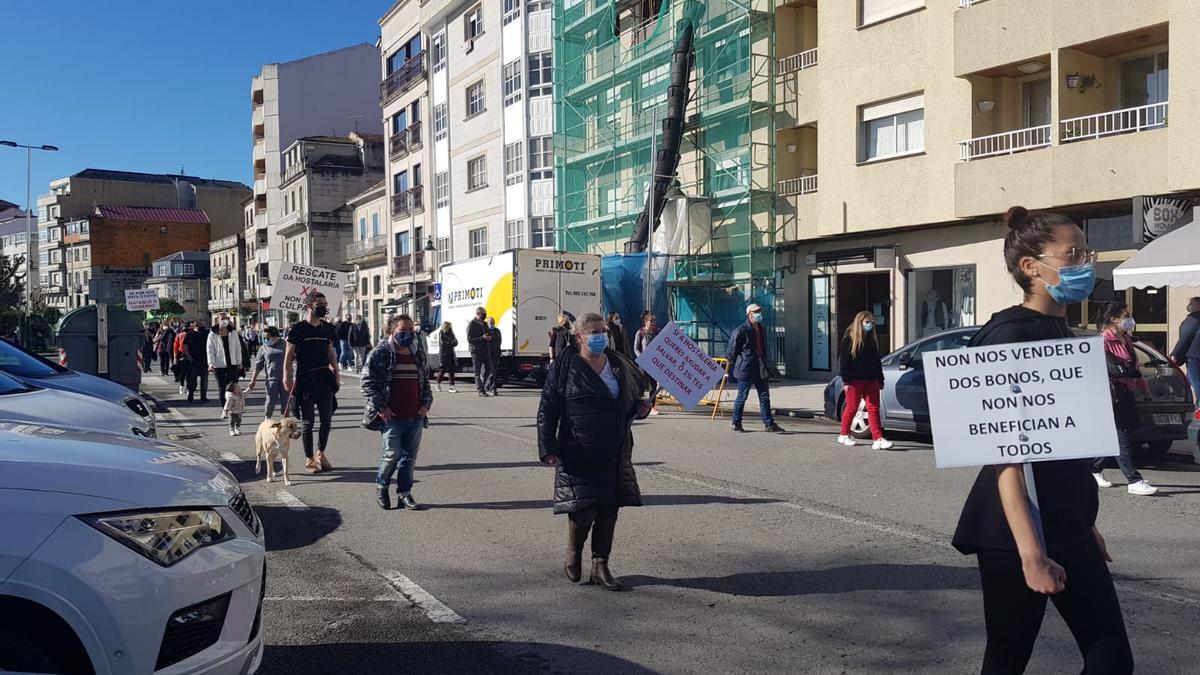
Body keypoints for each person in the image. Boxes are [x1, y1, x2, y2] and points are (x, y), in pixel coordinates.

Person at [952, 206, 1133, 674]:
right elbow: (1004, 456)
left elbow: (1059, 445)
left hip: (1067, 523)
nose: (1085, 264)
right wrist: (1032, 555)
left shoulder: (1059, 330)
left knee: (1112, 658)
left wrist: (1084, 524)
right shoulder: (1009, 335)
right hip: (1014, 536)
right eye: (1072, 254)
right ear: (1031, 266)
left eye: (1085, 252)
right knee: (1008, 660)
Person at [537, 312, 651, 591]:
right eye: (595, 332)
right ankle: (574, 551)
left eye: (603, 330)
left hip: (615, 446)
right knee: (583, 508)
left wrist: (641, 408)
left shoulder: (618, 363)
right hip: (579, 447)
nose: (602, 335)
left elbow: (631, 398)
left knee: (609, 509)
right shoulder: (565, 365)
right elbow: (548, 407)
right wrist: (547, 446)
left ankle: (600, 564)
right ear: (579, 338)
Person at [362, 314, 433, 511]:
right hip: (391, 415)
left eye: (411, 331)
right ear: (392, 331)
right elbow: (367, 383)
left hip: (415, 414)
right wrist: (381, 408)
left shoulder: (418, 353)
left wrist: (426, 404)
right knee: (392, 454)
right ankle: (382, 486)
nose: (408, 335)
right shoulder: (381, 353)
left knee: (409, 457)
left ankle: (405, 493)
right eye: (404, 331)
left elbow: (425, 381)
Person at [1091, 302, 1157, 496]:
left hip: (1125, 392)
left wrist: (1145, 390)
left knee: (1118, 434)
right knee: (1121, 434)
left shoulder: (1126, 340)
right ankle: (1133, 479)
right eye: (1126, 315)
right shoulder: (1103, 340)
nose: (1130, 320)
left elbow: (1135, 368)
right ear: (1114, 319)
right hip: (1110, 393)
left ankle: (1094, 469)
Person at [283, 292, 340, 474]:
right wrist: (287, 376)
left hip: (324, 378)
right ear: (309, 305)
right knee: (308, 422)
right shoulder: (298, 329)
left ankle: (320, 453)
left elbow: (331, 353)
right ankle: (309, 459)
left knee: (327, 420)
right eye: (319, 303)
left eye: (324, 303)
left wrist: (336, 372)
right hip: (305, 378)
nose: (323, 306)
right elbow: (289, 354)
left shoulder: (328, 328)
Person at [725, 304, 785, 433]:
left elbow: (762, 348)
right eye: (756, 312)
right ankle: (736, 422)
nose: (759, 314)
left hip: (760, 367)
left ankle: (769, 423)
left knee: (764, 396)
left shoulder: (762, 330)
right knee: (742, 396)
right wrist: (731, 365)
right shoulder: (741, 330)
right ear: (749, 314)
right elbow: (732, 350)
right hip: (746, 368)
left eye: (759, 311)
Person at [837, 311, 893, 450]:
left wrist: (880, 379)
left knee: (873, 408)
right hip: (855, 380)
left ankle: (878, 438)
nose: (870, 325)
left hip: (871, 379)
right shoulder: (849, 339)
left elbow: (876, 362)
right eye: (867, 322)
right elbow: (844, 362)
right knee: (852, 407)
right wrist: (847, 381)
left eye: (872, 322)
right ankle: (844, 434)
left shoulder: (872, 340)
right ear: (860, 322)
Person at [246, 326, 290, 418]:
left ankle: (285, 420)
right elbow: (258, 366)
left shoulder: (286, 345)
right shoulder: (263, 348)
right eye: (264, 337)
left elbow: (294, 357)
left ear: (275, 336)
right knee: (270, 400)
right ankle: (267, 418)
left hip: (285, 378)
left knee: (286, 401)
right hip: (271, 379)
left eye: (268, 337)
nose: (266, 339)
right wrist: (253, 380)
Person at [206, 315, 244, 411]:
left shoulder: (233, 332)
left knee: (233, 386)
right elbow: (210, 350)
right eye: (222, 319)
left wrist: (239, 362)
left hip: (232, 363)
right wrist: (211, 364)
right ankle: (225, 408)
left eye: (226, 319)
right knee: (222, 387)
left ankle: (233, 406)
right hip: (219, 364)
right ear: (217, 321)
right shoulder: (213, 334)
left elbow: (238, 348)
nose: (224, 321)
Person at [1169, 296, 1200, 402]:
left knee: (1196, 382)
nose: (1188, 306)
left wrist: (1175, 354)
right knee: (1189, 380)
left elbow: (1185, 338)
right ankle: (1186, 400)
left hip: (1194, 356)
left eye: (1191, 304)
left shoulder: (1193, 320)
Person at [634, 312, 660, 414]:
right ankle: (641, 405)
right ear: (646, 321)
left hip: (654, 364)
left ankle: (652, 406)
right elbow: (636, 348)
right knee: (643, 386)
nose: (653, 322)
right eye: (651, 320)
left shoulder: (658, 332)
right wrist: (642, 358)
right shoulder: (640, 333)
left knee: (653, 386)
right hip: (643, 364)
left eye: (655, 320)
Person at [467, 307, 495, 397]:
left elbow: (489, 334)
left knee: (490, 368)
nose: (484, 316)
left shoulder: (485, 324)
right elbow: (470, 339)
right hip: (476, 350)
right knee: (477, 371)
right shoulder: (472, 324)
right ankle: (481, 390)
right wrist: (481, 338)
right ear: (478, 314)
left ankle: (484, 385)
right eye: (483, 314)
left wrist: (490, 338)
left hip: (485, 349)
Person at [183, 321, 211, 402]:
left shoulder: (206, 334)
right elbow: (185, 346)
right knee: (192, 379)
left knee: (204, 379)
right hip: (193, 360)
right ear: (196, 326)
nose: (203, 327)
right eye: (201, 326)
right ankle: (190, 395)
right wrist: (189, 357)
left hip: (204, 360)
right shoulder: (190, 334)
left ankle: (203, 396)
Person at [435, 321, 459, 393]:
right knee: (442, 370)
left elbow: (456, 342)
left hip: (451, 353)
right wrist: (451, 342)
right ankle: (438, 383)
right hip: (444, 354)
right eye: (449, 326)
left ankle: (451, 387)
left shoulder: (451, 333)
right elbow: (443, 343)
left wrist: (451, 342)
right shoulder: (441, 333)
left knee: (451, 371)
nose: (450, 327)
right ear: (446, 326)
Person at [173, 322, 190, 395]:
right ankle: (188, 388)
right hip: (189, 355)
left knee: (182, 373)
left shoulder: (178, 336)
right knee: (189, 373)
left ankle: (182, 387)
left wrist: (175, 357)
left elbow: (175, 347)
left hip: (181, 355)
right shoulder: (190, 335)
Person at [486, 317, 502, 396]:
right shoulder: (485, 331)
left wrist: (491, 338)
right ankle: (492, 389)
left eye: (493, 322)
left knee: (493, 372)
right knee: (491, 372)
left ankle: (488, 387)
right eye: (490, 322)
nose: (492, 324)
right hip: (488, 355)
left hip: (496, 354)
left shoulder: (497, 331)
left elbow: (498, 340)